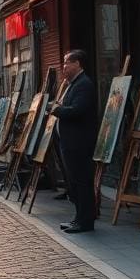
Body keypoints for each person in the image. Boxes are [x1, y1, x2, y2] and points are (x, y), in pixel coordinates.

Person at [49, 49, 97, 234]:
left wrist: (57, 110)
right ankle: (78, 218)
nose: (64, 67)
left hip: (78, 143)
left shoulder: (84, 85)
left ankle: (85, 221)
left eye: (67, 63)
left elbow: (78, 110)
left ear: (77, 64)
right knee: (74, 183)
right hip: (69, 143)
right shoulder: (72, 84)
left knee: (82, 182)